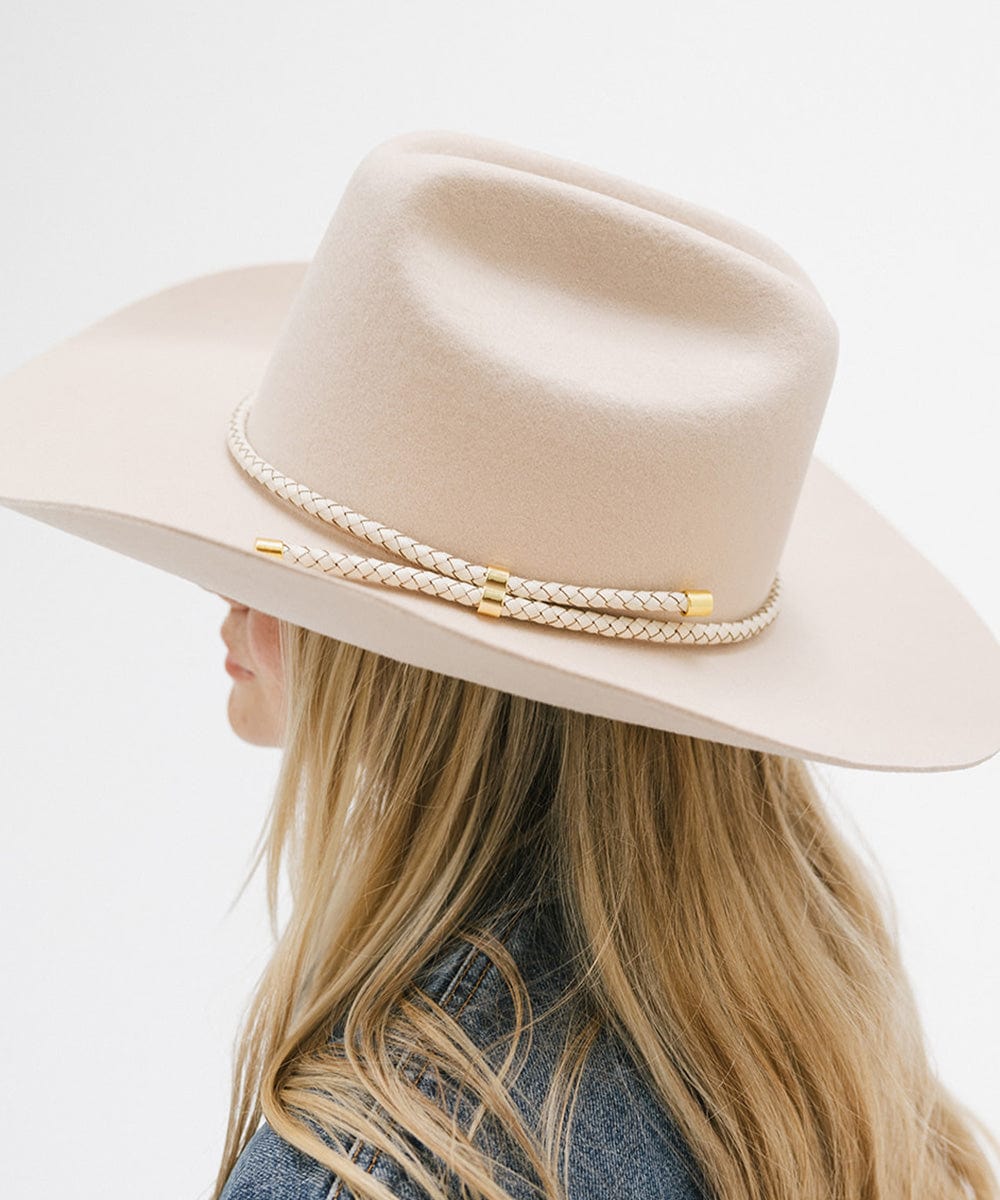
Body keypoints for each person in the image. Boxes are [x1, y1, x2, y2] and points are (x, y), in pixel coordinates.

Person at [1, 129, 997, 1200]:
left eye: (287, 566)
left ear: (399, 670)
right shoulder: (813, 1067)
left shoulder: (386, 1158)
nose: (225, 593)